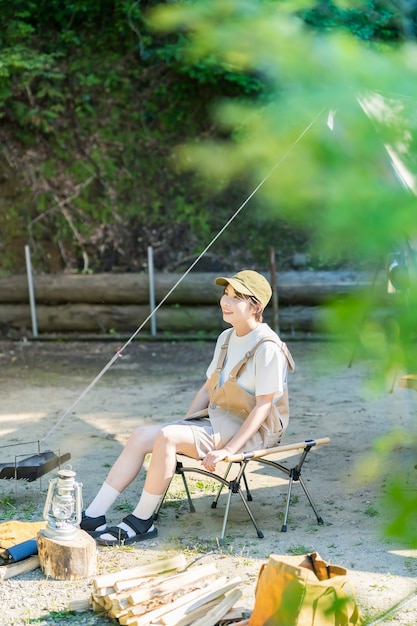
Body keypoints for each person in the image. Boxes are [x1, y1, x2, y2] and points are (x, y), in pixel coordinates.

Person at [80, 270, 295, 545]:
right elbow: (207, 389)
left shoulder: (268, 347)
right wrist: (183, 426)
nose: (225, 302)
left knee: (168, 437)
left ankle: (142, 521)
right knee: (142, 435)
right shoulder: (226, 338)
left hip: (253, 429)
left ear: (257, 306)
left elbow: (264, 406)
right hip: (219, 419)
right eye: (225, 294)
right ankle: (93, 516)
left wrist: (228, 451)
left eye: (236, 297)